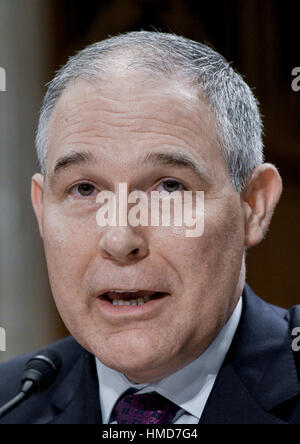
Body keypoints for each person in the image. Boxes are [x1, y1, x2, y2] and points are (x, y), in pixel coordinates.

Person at [0, 31, 299, 424]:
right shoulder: (11, 402)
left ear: (253, 206)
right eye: (85, 189)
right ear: (41, 210)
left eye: (169, 187)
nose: (120, 238)